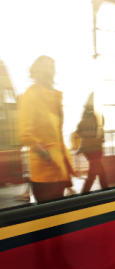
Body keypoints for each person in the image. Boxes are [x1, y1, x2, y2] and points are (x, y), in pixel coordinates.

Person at [18, 55, 75, 203]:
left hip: (60, 171)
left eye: (53, 67)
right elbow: (26, 134)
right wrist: (48, 156)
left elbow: (58, 135)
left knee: (59, 219)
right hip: (44, 174)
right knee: (50, 221)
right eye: (48, 67)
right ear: (38, 70)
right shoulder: (31, 95)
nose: (51, 71)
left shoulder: (55, 96)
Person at [76, 93, 109, 193]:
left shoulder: (85, 115)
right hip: (96, 148)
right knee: (94, 172)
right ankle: (85, 194)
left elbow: (78, 130)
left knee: (99, 170)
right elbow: (102, 126)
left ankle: (105, 190)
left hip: (87, 149)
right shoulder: (97, 115)